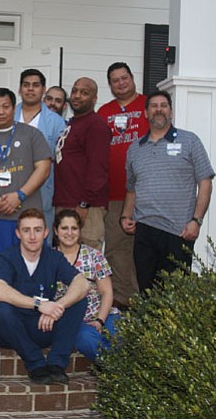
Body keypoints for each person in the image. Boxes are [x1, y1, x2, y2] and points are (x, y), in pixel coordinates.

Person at [121, 90, 215, 292]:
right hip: (144, 229)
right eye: (154, 106)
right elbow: (131, 188)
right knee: (147, 290)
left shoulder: (190, 141)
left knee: (175, 293)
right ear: (146, 112)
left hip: (178, 231)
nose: (159, 110)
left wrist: (196, 221)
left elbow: (205, 182)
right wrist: (126, 216)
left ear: (170, 112)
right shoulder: (135, 148)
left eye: (163, 105)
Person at [0, 87, 51, 301]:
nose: (1, 111)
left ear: (14, 108)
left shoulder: (32, 135)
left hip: (28, 217)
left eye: (6, 107)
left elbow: (44, 167)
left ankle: (34, 320)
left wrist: (20, 195)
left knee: (31, 272)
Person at [0, 209, 89, 384]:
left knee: (79, 301)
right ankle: (36, 364)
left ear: (46, 233)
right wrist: (39, 304)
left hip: (42, 326)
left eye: (37, 230)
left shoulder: (54, 257)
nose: (32, 236)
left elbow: (83, 284)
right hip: (12, 330)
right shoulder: (7, 257)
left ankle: (56, 365)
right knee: (1, 309)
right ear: (18, 233)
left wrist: (59, 306)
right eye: (26, 230)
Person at [97, 62, 149, 308]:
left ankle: (144, 299)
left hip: (147, 193)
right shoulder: (104, 112)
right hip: (114, 193)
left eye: (124, 78)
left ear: (132, 78)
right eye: (115, 80)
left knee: (144, 248)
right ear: (110, 85)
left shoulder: (149, 106)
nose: (121, 83)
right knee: (116, 248)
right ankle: (121, 301)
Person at [53, 210, 120, 362]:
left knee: (122, 333)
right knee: (86, 341)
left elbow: (107, 292)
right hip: (76, 320)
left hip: (103, 314)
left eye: (74, 228)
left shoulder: (94, 255)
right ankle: (116, 370)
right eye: (64, 228)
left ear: (80, 231)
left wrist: (100, 320)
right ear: (56, 230)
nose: (69, 233)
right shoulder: (49, 259)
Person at [53, 77, 110, 250]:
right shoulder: (72, 124)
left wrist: (85, 204)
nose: (77, 96)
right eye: (75, 91)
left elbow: (98, 169)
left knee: (86, 264)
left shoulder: (96, 125)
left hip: (86, 208)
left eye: (84, 93)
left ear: (94, 99)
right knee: (65, 267)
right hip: (65, 203)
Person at [14, 69, 66, 238]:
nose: (30, 89)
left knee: (40, 246)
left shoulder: (56, 122)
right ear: (20, 89)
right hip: (9, 194)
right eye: (26, 85)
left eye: (35, 85)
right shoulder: (7, 115)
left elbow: (61, 163)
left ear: (43, 90)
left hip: (42, 195)